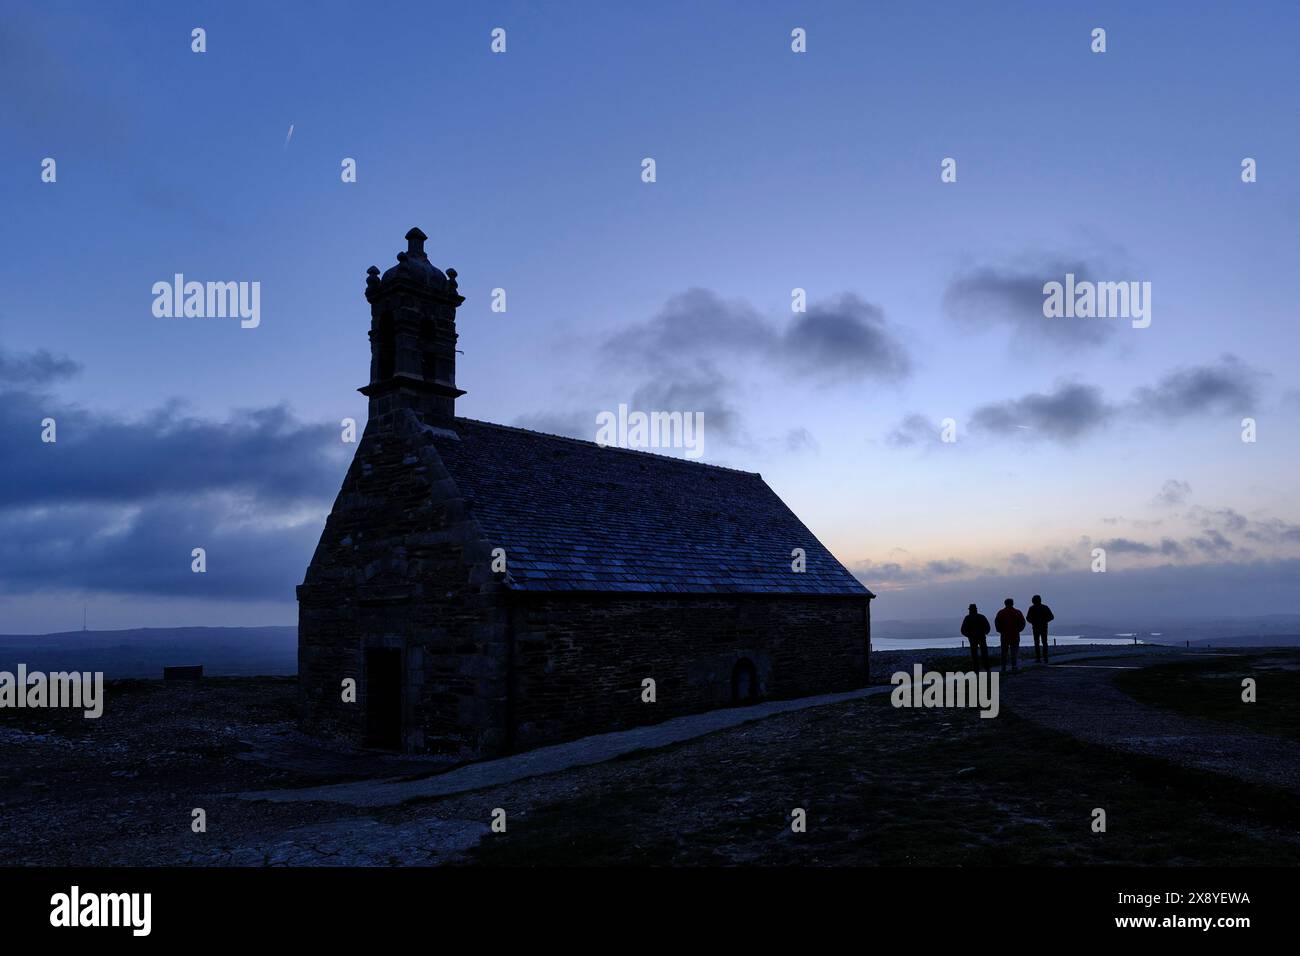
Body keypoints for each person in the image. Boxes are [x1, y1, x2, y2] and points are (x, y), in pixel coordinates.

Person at [994, 597, 1026, 674]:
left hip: (1004, 635)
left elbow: (997, 623)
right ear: (1012, 603)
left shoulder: (1001, 612)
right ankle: (1014, 666)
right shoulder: (1017, 612)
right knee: (1014, 651)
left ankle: (1003, 667)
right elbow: (1023, 622)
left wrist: (1000, 631)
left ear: (1005, 604)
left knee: (1004, 651)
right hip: (1015, 635)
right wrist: (1019, 630)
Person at [960, 603, 992, 672]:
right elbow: (988, 627)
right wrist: (985, 632)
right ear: (976, 609)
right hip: (981, 637)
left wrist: (968, 635)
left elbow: (962, 630)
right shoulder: (981, 617)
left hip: (973, 639)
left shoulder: (967, 618)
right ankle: (987, 668)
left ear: (970, 610)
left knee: (974, 654)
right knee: (984, 653)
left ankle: (976, 669)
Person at [1026, 594, 1055, 663]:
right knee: (1044, 642)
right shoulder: (1045, 607)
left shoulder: (1032, 608)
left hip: (1036, 627)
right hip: (1044, 627)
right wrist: (1045, 621)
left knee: (1037, 643)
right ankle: (1045, 658)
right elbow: (1051, 617)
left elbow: (1028, 618)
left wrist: (1033, 622)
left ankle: (1038, 658)